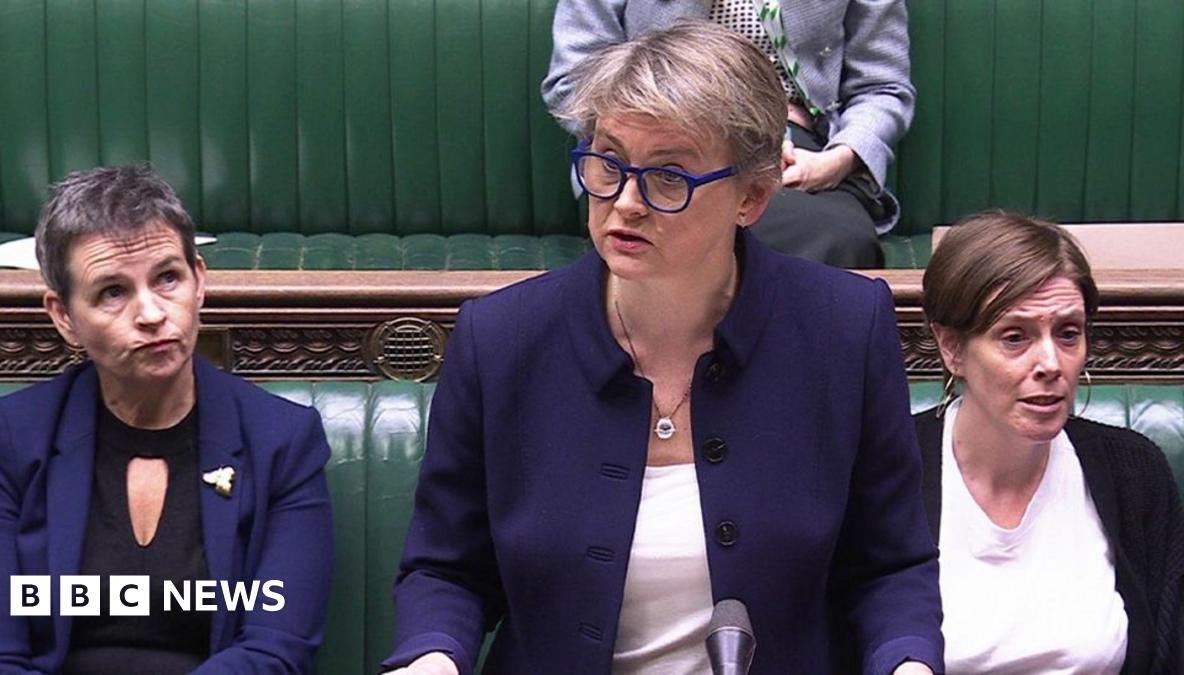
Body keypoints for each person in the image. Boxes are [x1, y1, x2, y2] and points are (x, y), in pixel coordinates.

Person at [382, 22, 941, 674]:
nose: (626, 202)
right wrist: (431, 658)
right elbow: (446, 569)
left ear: (752, 197)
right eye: (608, 161)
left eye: (668, 177)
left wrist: (907, 663)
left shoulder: (844, 328)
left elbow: (889, 568)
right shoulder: (502, 338)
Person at [0, 165, 335, 673]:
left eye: (168, 278)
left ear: (199, 281)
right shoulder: (11, 437)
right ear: (64, 317)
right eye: (112, 292)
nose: (151, 314)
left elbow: (275, 650)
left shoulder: (281, 441)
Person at [916, 212, 1184, 673]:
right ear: (952, 348)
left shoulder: (1134, 472)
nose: (1051, 363)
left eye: (1068, 334)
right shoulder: (890, 468)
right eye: (1014, 337)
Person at [542, 0, 916, 268]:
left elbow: (882, 88)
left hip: (798, 149)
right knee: (681, 224)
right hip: (651, 143)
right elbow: (571, 82)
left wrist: (838, 160)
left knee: (839, 236)